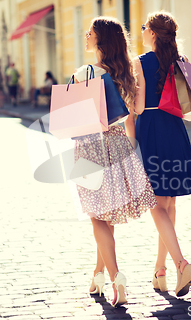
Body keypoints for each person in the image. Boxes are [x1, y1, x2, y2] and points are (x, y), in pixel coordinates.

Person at [72, 16, 157, 307]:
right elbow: (135, 112)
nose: (86, 36)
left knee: (96, 216)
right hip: (119, 144)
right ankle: (98, 274)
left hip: (90, 147)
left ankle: (116, 277)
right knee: (106, 216)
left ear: (101, 40)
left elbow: (75, 116)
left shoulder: (86, 72)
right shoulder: (125, 71)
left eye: (90, 33)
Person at [131, 11, 191, 297]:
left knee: (155, 203)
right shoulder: (180, 61)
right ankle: (160, 270)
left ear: (151, 33)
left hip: (151, 130)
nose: (141, 31)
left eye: (143, 27)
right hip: (174, 130)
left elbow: (137, 108)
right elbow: (190, 105)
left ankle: (181, 264)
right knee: (168, 203)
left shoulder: (140, 62)